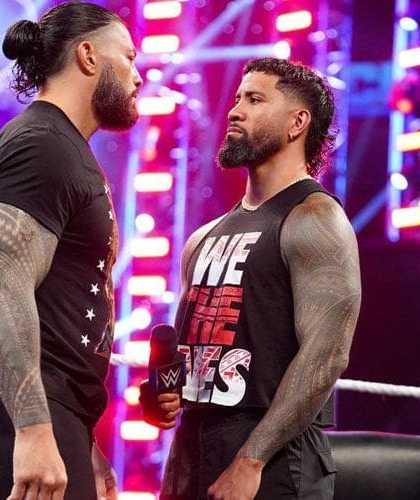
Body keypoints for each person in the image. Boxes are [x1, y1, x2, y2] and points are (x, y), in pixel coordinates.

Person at [0, 2, 142, 499]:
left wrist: (80, 438)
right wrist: (33, 430)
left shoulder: (62, 146)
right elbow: (2, 288)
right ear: (88, 56)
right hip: (7, 415)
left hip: (43, 412)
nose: (138, 76)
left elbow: (60, 308)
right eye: (129, 57)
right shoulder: (42, 145)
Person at [140, 57, 361, 500]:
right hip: (193, 446)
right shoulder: (203, 238)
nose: (235, 110)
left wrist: (252, 459)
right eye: (238, 98)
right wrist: (160, 396)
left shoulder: (315, 219)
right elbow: (189, 354)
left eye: (255, 100)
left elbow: (327, 356)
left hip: (276, 454)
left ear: (297, 123)